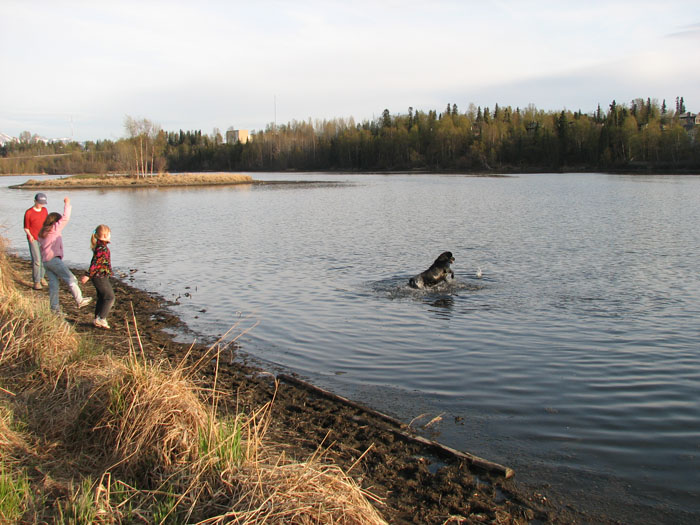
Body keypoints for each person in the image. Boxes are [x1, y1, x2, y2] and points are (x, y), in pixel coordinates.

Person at [38, 196, 92, 314]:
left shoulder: (42, 232)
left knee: (54, 285)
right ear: (56, 222)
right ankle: (79, 299)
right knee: (71, 279)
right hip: (54, 260)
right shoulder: (54, 229)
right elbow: (65, 218)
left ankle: (54, 309)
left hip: (46, 262)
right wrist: (67, 204)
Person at [80, 225, 115, 329]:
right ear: (105, 235)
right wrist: (88, 275)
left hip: (99, 276)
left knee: (102, 297)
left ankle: (97, 318)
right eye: (109, 234)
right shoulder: (102, 248)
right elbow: (95, 263)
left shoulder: (100, 246)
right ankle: (101, 318)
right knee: (110, 297)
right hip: (99, 277)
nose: (110, 236)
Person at [23, 193, 49, 290]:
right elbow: (26, 227)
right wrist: (30, 236)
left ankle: (41, 277)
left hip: (43, 238)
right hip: (33, 238)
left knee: (44, 259)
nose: (41, 205)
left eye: (43, 203)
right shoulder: (29, 212)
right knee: (37, 260)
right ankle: (36, 282)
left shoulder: (44, 210)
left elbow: (47, 224)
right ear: (35, 201)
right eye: (40, 203)